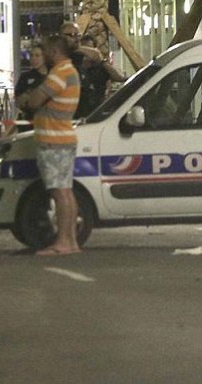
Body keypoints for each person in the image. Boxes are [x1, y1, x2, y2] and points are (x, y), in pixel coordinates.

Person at [16, 34, 82, 256]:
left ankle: (63, 241)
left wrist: (30, 97)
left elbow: (34, 101)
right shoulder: (69, 71)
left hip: (54, 140)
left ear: (54, 52)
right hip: (63, 138)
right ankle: (71, 241)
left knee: (59, 192)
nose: (42, 55)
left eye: (44, 50)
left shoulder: (60, 73)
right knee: (66, 191)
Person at [58, 21, 124, 119]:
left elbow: (120, 77)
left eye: (78, 35)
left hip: (95, 115)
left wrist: (101, 60)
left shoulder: (99, 68)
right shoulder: (70, 61)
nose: (87, 52)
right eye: (72, 35)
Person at [13, 43, 48, 133]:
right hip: (29, 123)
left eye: (37, 55)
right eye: (31, 55)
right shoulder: (26, 77)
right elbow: (18, 102)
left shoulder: (52, 75)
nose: (34, 59)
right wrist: (29, 93)